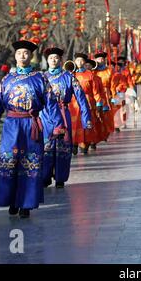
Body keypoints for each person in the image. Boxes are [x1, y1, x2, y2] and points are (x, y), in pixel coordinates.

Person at [0, 40, 65, 218]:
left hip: (31, 126)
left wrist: (58, 125)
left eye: (26, 53)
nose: (22, 56)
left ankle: (26, 204)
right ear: (15, 56)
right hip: (11, 126)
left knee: (30, 164)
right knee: (10, 163)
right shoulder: (7, 80)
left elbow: (51, 104)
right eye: (19, 53)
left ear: (31, 56)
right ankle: (12, 200)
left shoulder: (40, 78)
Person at [41, 48, 92, 188]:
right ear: (47, 60)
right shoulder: (42, 77)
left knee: (63, 147)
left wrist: (86, 118)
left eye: (56, 58)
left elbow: (81, 98)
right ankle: (45, 176)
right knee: (46, 146)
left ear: (61, 60)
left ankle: (60, 177)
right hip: (45, 116)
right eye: (50, 58)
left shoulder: (69, 76)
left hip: (63, 113)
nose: (53, 60)